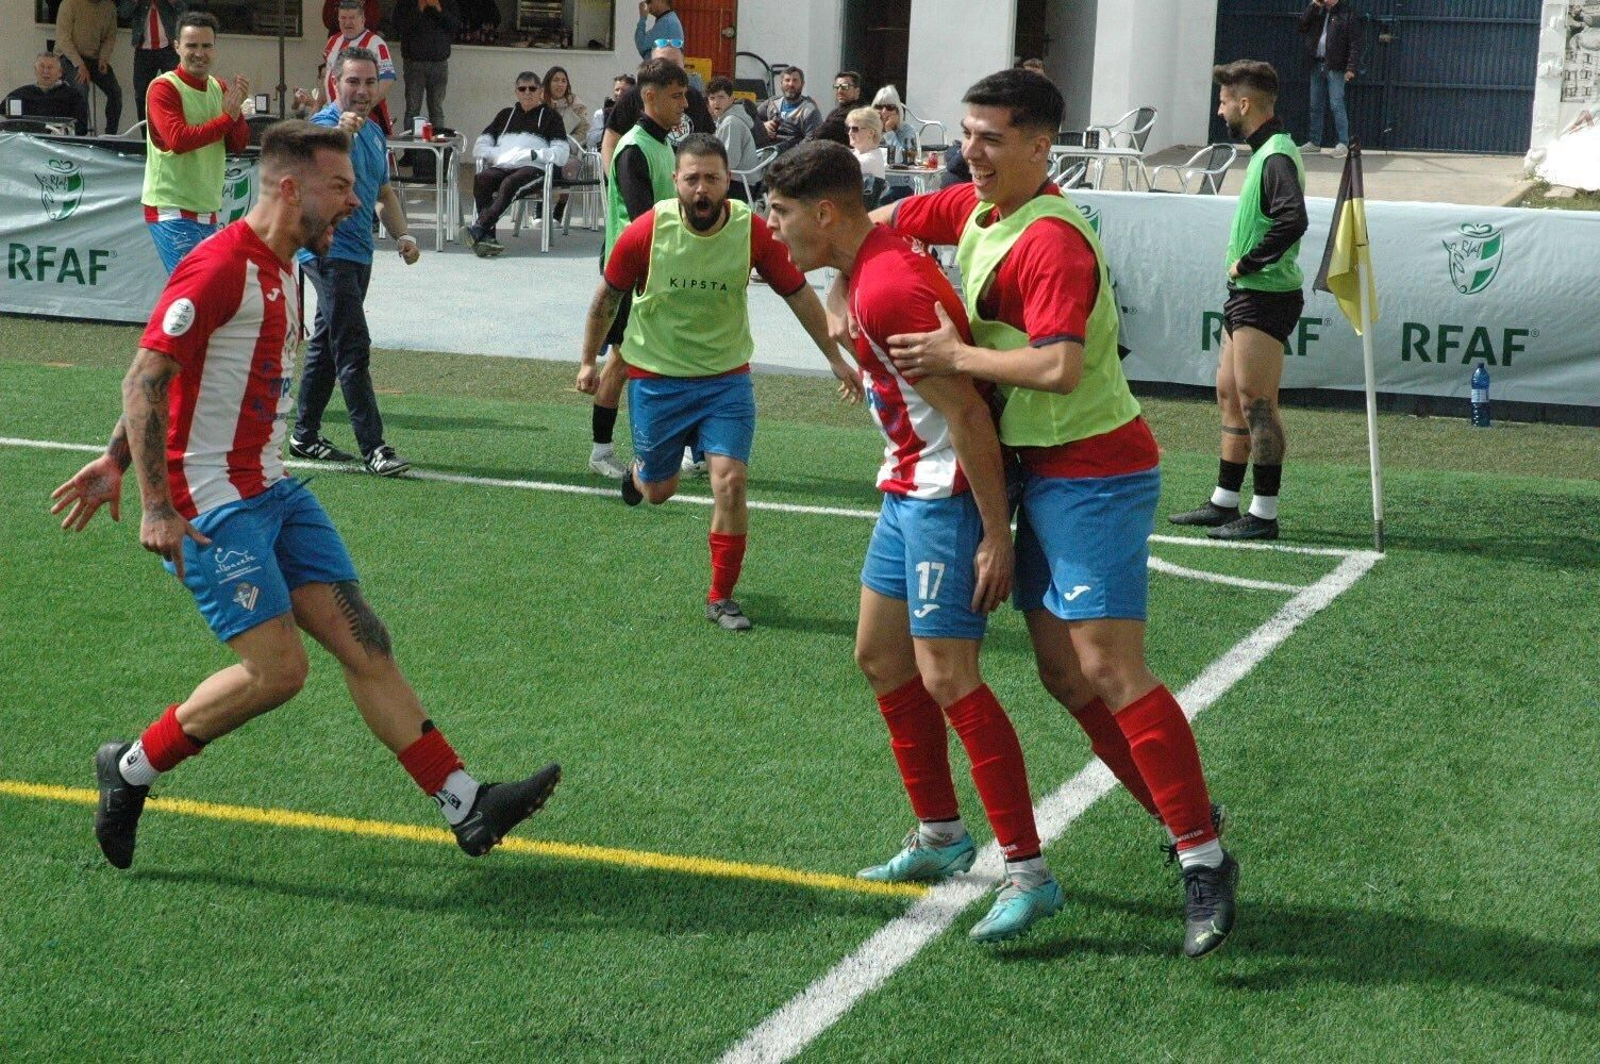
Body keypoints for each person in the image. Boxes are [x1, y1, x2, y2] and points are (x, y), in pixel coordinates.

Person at [49, 119, 560, 873]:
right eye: (341, 186)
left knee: (366, 643)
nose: (355, 201)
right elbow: (145, 378)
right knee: (280, 672)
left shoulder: (288, 264)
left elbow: (179, 377)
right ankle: (129, 769)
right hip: (208, 502)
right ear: (291, 189)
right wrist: (152, 501)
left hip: (272, 489)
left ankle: (465, 802)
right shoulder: (218, 266)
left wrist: (114, 457)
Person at [855, 68, 1237, 958]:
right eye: (966, 134)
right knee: (1064, 677)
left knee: (1108, 668)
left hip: (1094, 470)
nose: (971, 153)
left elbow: (1059, 368)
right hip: (1034, 470)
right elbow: (883, 223)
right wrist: (845, 286)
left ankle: (1203, 858)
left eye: (991, 139)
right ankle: (1183, 815)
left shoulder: (1053, 241)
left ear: (1040, 146)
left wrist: (956, 356)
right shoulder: (977, 207)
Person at [765, 141, 1064, 942]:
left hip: (946, 494)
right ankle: (940, 835)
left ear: (824, 213)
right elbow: (867, 253)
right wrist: (836, 289)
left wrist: (994, 535)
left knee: (950, 677)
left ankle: (1029, 872)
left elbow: (967, 413)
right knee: (880, 657)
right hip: (907, 486)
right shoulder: (867, 262)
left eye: (782, 214)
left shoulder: (891, 287)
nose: (773, 228)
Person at [580, 133, 862, 631]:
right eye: (691, 178)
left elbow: (798, 293)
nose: (701, 188)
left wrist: (836, 359)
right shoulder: (647, 231)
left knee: (730, 482)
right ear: (676, 181)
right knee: (659, 490)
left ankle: (721, 596)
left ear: (728, 180)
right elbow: (607, 298)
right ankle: (639, 474)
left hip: (725, 382)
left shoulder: (750, 231)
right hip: (658, 381)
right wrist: (588, 361)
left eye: (712, 178)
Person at [1170, 62, 1307, 542]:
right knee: (1230, 395)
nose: (1220, 109)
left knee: (1257, 403)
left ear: (1244, 104)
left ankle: (1264, 514)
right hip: (1249, 294)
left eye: (1224, 101)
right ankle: (1224, 502)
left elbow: (1293, 219)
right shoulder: (1268, 151)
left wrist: (1248, 262)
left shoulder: (1276, 156)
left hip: (1265, 294)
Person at [290, 47, 420, 478]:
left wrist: (403, 235)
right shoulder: (322, 129)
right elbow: (310, 175)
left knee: (328, 343)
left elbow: (382, 194)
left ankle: (304, 435)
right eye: (353, 81)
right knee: (352, 344)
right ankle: (375, 448)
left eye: (369, 82)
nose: (362, 91)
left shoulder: (376, 133)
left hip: (360, 253)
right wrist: (340, 136)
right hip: (327, 252)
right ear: (335, 83)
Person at [584, 58, 688, 480]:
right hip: (632, 272)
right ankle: (601, 451)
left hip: (656, 267)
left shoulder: (662, 144)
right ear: (650, 96)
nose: (684, 104)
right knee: (622, 362)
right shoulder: (633, 149)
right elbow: (644, 218)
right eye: (676, 96)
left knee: (668, 357)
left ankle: (688, 449)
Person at [141, 12, 249, 273]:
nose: (199, 53)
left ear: (215, 48)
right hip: (172, 209)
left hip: (207, 211)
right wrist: (228, 118)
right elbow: (178, 140)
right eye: (192, 45)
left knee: (201, 289)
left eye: (206, 46)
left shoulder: (219, 87)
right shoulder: (164, 88)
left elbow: (238, 144)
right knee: (194, 288)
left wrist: (235, 115)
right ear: (177, 46)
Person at [465, 71, 569, 257]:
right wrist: (499, 155)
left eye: (532, 89)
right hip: (504, 165)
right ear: (516, 92)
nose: (527, 92)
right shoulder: (505, 115)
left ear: (541, 91)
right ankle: (487, 239)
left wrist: (533, 154)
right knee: (482, 179)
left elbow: (561, 153)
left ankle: (479, 227)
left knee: (510, 183)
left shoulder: (551, 117)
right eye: (522, 89)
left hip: (535, 169)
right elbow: (480, 146)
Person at [601, 44, 715, 172]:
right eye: (662, 63)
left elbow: (709, 142)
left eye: (674, 64)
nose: (684, 103)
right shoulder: (631, 98)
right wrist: (612, 178)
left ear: (683, 65)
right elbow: (610, 142)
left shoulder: (694, 97)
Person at [322, 0, 396, 134]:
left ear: (362, 19)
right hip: (336, 117)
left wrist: (365, 107)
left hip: (367, 119)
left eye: (352, 18)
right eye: (343, 18)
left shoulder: (376, 43)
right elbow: (327, 77)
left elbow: (387, 79)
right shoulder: (332, 41)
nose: (347, 22)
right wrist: (318, 105)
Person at [1297, 0, 1359, 157]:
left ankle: (1343, 143)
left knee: (1336, 103)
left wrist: (1351, 67)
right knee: (1315, 104)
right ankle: (1314, 142)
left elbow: (1354, 43)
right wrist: (1313, 6)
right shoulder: (1318, 11)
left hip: (1336, 66)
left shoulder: (1346, 14)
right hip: (1317, 63)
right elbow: (1302, 26)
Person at [55, 0, 121, 134]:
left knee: (115, 92)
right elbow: (63, 40)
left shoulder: (109, 7)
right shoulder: (69, 4)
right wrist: (79, 64)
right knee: (81, 88)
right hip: (68, 57)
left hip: (94, 59)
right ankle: (81, 134)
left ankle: (111, 136)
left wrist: (104, 58)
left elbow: (110, 37)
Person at [393, 0, 460, 131]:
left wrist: (438, 8)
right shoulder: (406, 3)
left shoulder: (448, 2)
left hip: (439, 62)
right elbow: (399, 26)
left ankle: (437, 143)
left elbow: (455, 26)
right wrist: (419, 8)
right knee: (412, 110)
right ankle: (410, 144)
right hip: (414, 63)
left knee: (436, 110)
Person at [118, 0, 184, 125]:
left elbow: (185, 12)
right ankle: (146, 134)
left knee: (176, 92)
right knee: (142, 96)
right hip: (143, 51)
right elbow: (123, 13)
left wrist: (174, 2)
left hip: (169, 49)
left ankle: (174, 129)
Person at [4, 52, 89, 134]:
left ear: (60, 72)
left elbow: (81, 128)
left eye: (50, 67)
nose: (45, 71)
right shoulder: (19, 94)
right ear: (35, 70)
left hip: (58, 142)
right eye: (42, 66)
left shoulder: (73, 96)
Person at [706, 75, 759, 196]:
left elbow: (730, 161)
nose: (716, 102)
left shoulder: (731, 122)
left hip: (739, 183)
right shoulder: (724, 120)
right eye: (712, 98)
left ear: (731, 99)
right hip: (736, 179)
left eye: (721, 97)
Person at [758, 67, 821, 154]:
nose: (791, 84)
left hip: (792, 156)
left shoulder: (809, 110)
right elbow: (750, 119)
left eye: (795, 80)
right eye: (787, 80)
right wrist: (763, 126)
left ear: (802, 84)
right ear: (781, 83)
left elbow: (812, 142)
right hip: (766, 152)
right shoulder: (772, 103)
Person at [810, 70, 862, 146]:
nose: (839, 91)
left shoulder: (857, 112)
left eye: (844, 87)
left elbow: (821, 133)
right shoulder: (835, 111)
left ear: (857, 91)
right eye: (837, 87)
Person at [872, 85, 918, 162]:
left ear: (897, 111)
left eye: (890, 107)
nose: (884, 112)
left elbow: (902, 160)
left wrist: (889, 131)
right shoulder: (867, 128)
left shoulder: (907, 130)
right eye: (879, 107)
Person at [542, 65, 588, 141]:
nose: (560, 84)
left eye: (563, 81)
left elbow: (582, 132)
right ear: (548, 83)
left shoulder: (576, 106)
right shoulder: (537, 104)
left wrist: (564, 144)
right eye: (556, 80)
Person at [590, 72, 634, 149]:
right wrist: (609, 130)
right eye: (617, 90)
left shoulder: (640, 115)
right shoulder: (601, 114)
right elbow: (591, 141)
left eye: (624, 90)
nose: (619, 93)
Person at [847, 105, 886, 179]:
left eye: (855, 129)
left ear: (871, 132)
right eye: (849, 128)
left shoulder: (868, 161)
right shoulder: (861, 153)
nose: (850, 133)